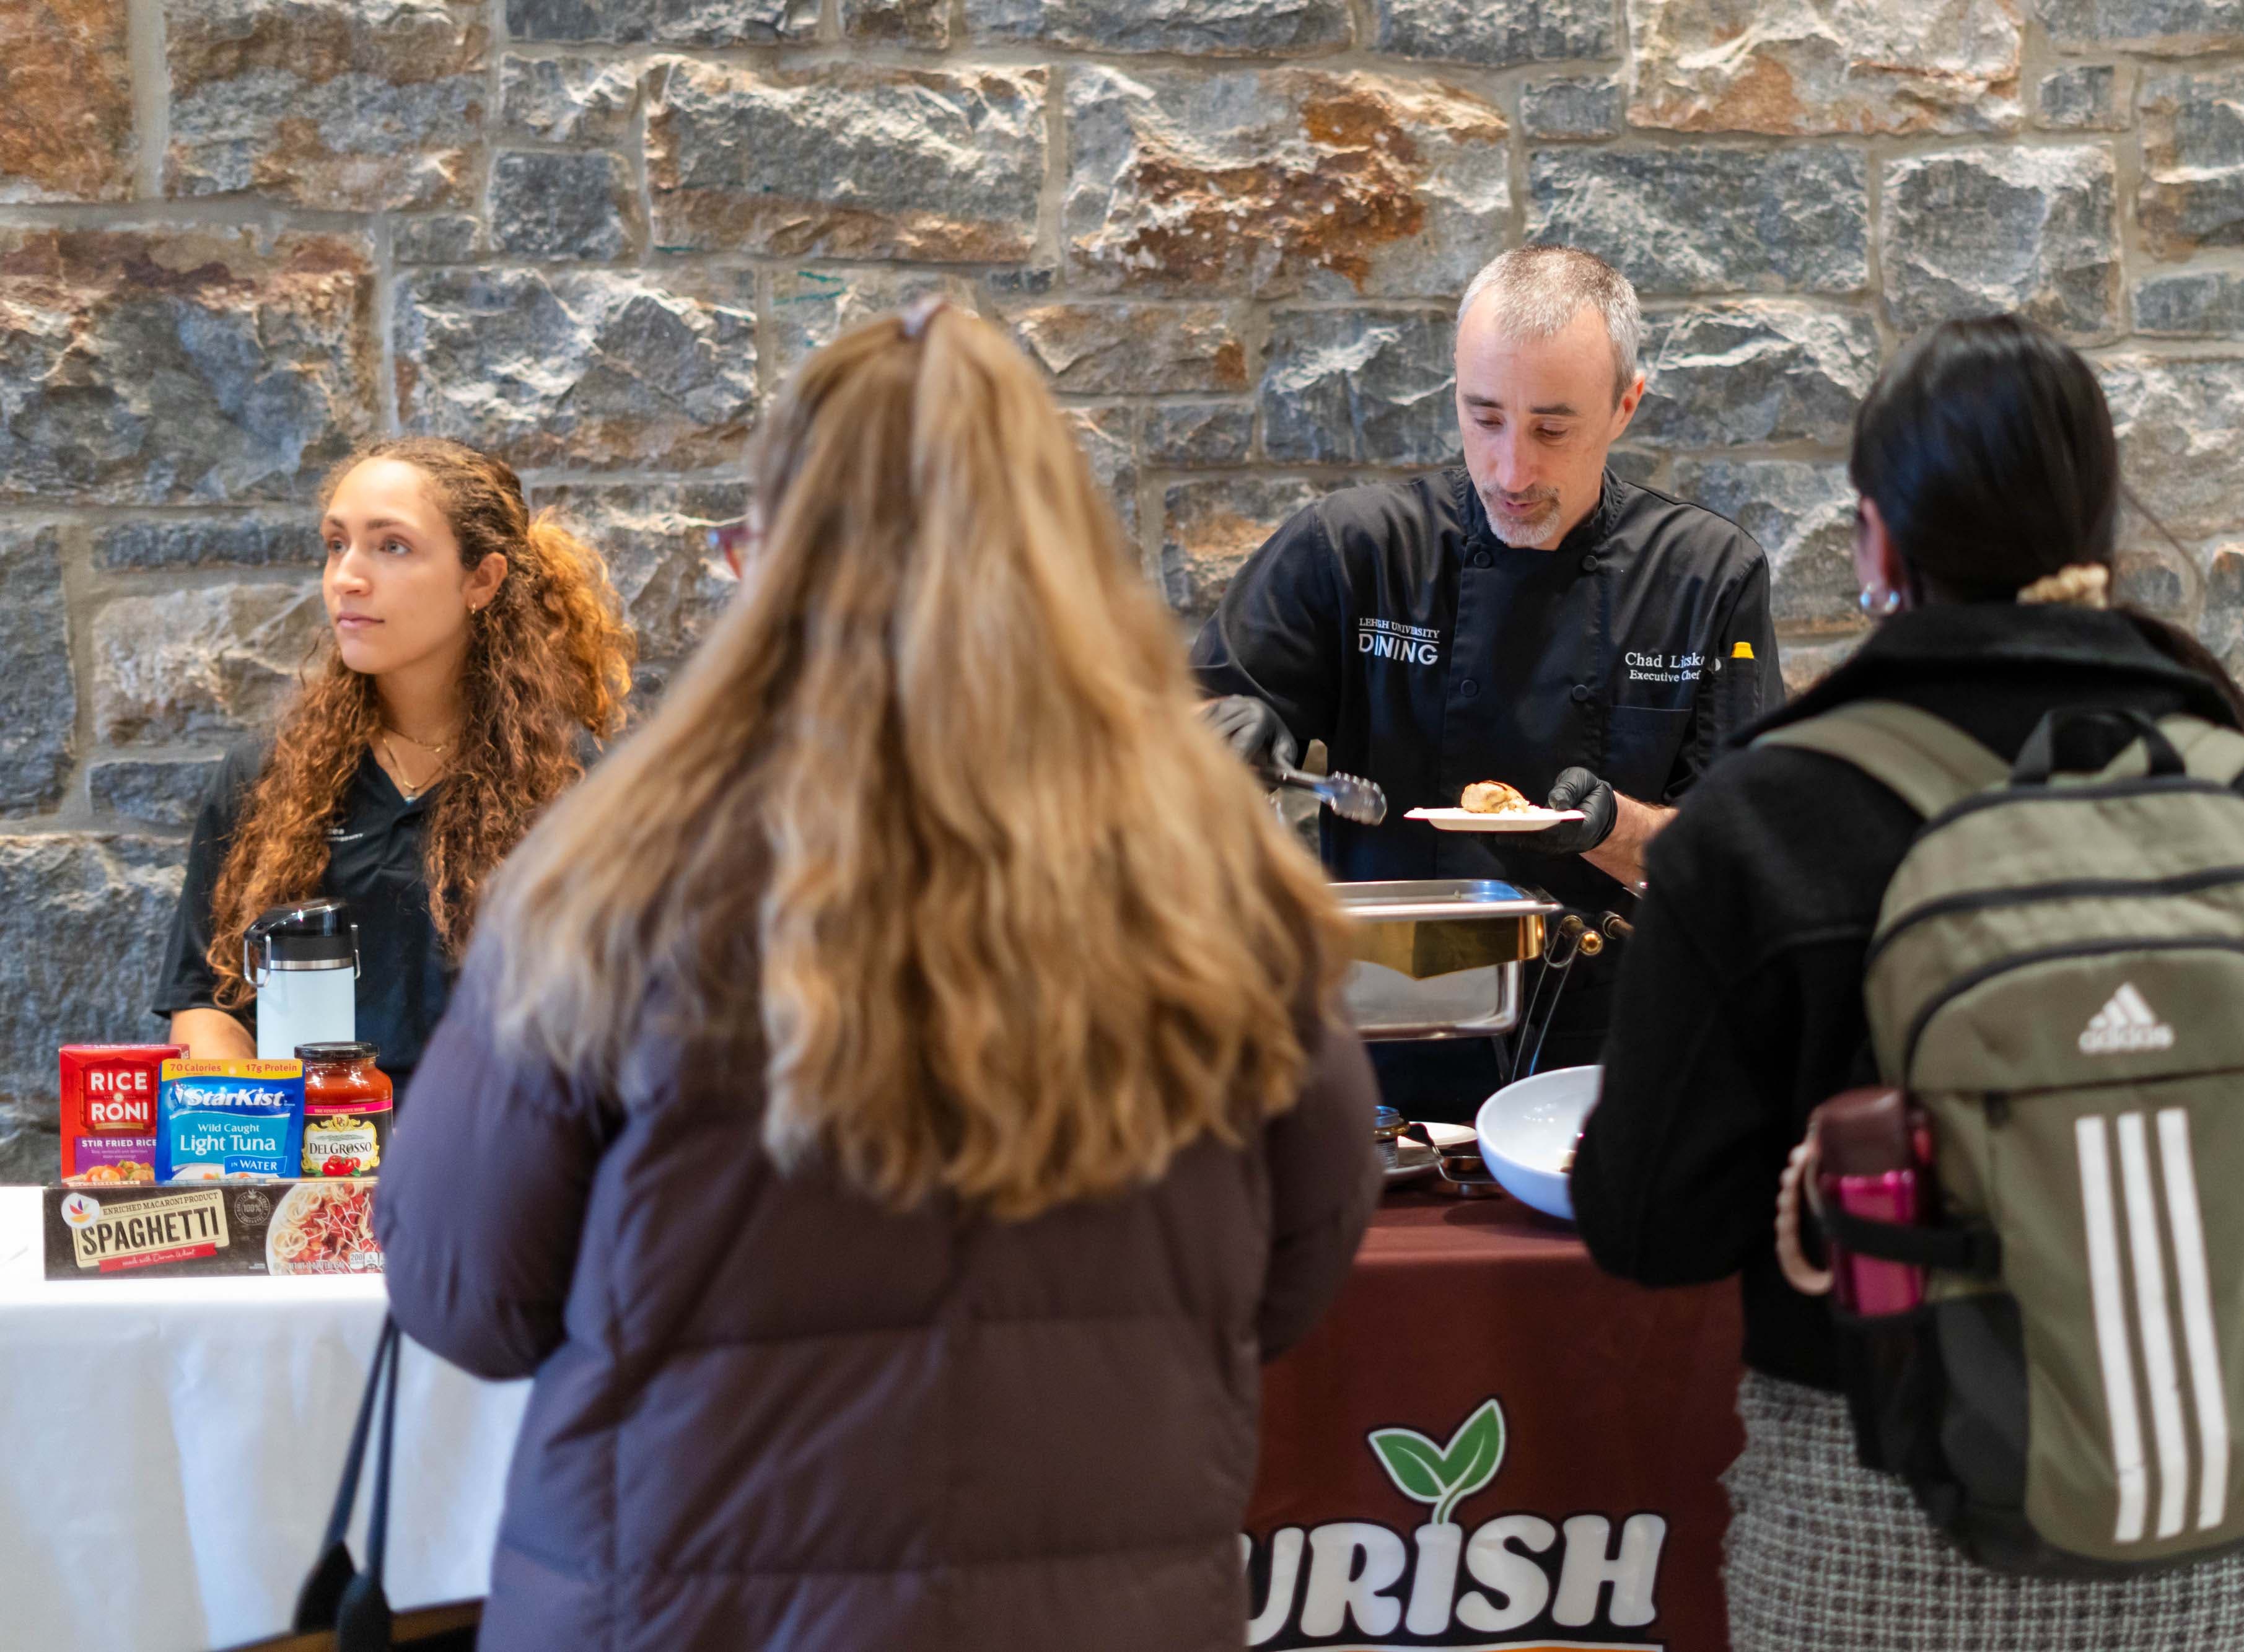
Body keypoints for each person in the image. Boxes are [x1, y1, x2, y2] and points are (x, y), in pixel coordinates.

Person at [374, 302, 1382, 1652]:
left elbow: (465, 1295)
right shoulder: (1218, 885)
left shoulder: (617, 875)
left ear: (769, 562)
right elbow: (1296, 1277)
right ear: (1064, 564)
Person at [1572, 315, 2244, 1652]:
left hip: (1875, 1536)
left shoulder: (1762, 826)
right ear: (2099, 530)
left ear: (1874, 545)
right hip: (2220, 1539)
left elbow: (1647, 1226)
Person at [1193, 244, 1784, 1118]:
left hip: (1618, 1072)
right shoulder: (1354, 550)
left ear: (1624, 406)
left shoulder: (1706, 575)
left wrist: (1611, 828)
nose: (1512, 471)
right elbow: (1170, 749)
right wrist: (1217, 744)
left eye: (1552, 429)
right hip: (1387, 1059)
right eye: (1485, 418)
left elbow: (1743, 862)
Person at [151, 438, 634, 1090]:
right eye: (336, 544)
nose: (347, 577)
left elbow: (620, 1031)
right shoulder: (264, 776)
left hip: (487, 1143)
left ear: (482, 579)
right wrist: (268, 1128)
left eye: (392, 546)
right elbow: (207, 1005)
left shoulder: (581, 788)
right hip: (301, 1145)